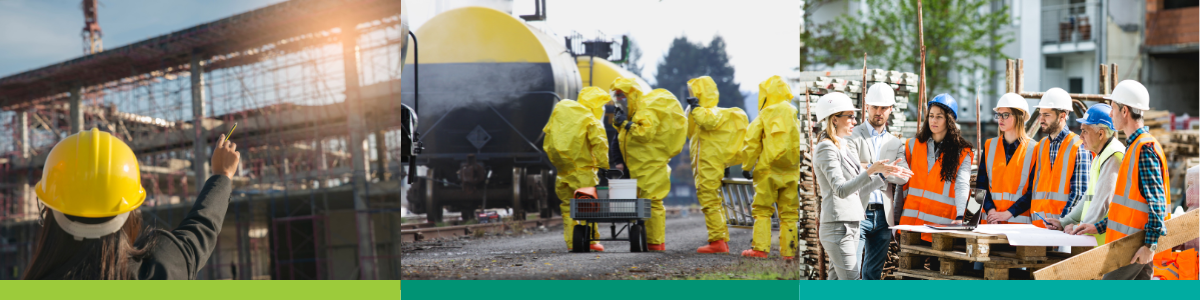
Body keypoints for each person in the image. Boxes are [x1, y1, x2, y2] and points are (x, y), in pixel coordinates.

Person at [24, 128, 240, 279]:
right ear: (130, 211)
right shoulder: (158, 271)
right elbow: (201, 228)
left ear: (47, 210)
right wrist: (222, 175)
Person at [1068, 80, 1171, 280]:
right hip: (1131, 243)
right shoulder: (1135, 147)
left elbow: (1157, 203)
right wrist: (1098, 227)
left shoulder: (1144, 149)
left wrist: (1150, 246)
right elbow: (1126, 208)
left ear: (1124, 111)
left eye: (1113, 108)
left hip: (1133, 246)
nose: (1110, 114)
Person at [814, 92, 912, 280]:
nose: (854, 121)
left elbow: (857, 190)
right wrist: (871, 170)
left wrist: (882, 175)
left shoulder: (841, 147)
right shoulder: (826, 148)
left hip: (850, 224)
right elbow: (841, 190)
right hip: (838, 226)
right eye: (850, 116)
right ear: (835, 119)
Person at [611, 77, 687, 252]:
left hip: (651, 166)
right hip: (636, 167)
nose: (619, 100)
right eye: (617, 96)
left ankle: (655, 243)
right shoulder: (630, 115)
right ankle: (644, 239)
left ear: (631, 95)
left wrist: (625, 124)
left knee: (651, 203)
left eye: (622, 96)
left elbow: (645, 133)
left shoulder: (645, 111)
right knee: (639, 205)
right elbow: (619, 140)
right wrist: (619, 161)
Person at [845, 83, 910, 280]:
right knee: (850, 272)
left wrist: (870, 167)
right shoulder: (852, 136)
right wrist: (884, 169)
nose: (878, 112)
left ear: (891, 109)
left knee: (873, 274)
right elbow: (849, 171)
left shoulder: (895, 142)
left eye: (883, 108)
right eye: (874, 107)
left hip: (883, 216)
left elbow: (903, 176)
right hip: (857, 211)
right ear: (867, 107)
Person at [740, 75, 804, 260]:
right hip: (791, 171)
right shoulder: (793, 114)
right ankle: (789, 253)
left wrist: (747, 166)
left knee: (762, 210)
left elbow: (751, 142)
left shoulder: (765, 115)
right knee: (789, 213)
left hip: (767, 170)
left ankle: (760, 249)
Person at [896, 94, 974, 242]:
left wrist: (960, 216)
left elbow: (962, 185)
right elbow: (901, 185)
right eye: (931, 116)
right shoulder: (912, 145)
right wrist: (895, 219)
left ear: (950, 120)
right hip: (910, 227)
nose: (933, 120)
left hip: (941, 228)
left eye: (939, 116)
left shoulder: (962, 152)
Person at [542, 87, 612, 252]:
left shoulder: (562, 116)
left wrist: (559, 164)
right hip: (583, 172)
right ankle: (592, 241)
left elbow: (548, 140)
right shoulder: (590, 119)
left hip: (563, 172)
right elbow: (600, 144)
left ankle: (572, 243)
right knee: (589, 206)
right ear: (596, 105)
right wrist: (604, 167)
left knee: (568, 208)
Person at [685, 76, 749, 254]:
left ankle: (718, 242)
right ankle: (719, 240)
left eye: (694, 92)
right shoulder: (709, 114)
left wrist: (696, 107)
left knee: (710, 201)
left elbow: (707, 121)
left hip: (708, 166)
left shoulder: (710, 113)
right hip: (709, 165)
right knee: (712, 201)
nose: (691, 96)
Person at [1047, 104, 1124, 247]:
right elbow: (1088, 198)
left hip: (1107, 244)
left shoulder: (1113, 156)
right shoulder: (1101, 155)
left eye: (1084, 131)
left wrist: (1078, 228)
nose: (1081, 136)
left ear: (1101, 134)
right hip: (1097, 241)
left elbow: (1102, 204)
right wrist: (1065, 222)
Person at [1028, 88, 1092, 229]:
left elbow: (1080, 194)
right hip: (1038, 227)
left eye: (1046, 115)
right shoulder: (1041, 146)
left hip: (1063, 229)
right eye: (1040, 114)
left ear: (1062, 116)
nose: (1041, 119)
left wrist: (1062, 222)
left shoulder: (1078, 146)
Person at [979, 93, 1037, 224]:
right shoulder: (989, 146)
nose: (1000, 119)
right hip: (990, 224)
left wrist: (1008, 213)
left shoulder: (1035, 149)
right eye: (999, 114)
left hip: (1018, 226)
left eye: (1005, 115)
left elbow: (1033, 191)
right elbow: (980, 186)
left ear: (1020, 116)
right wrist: (991, 211)